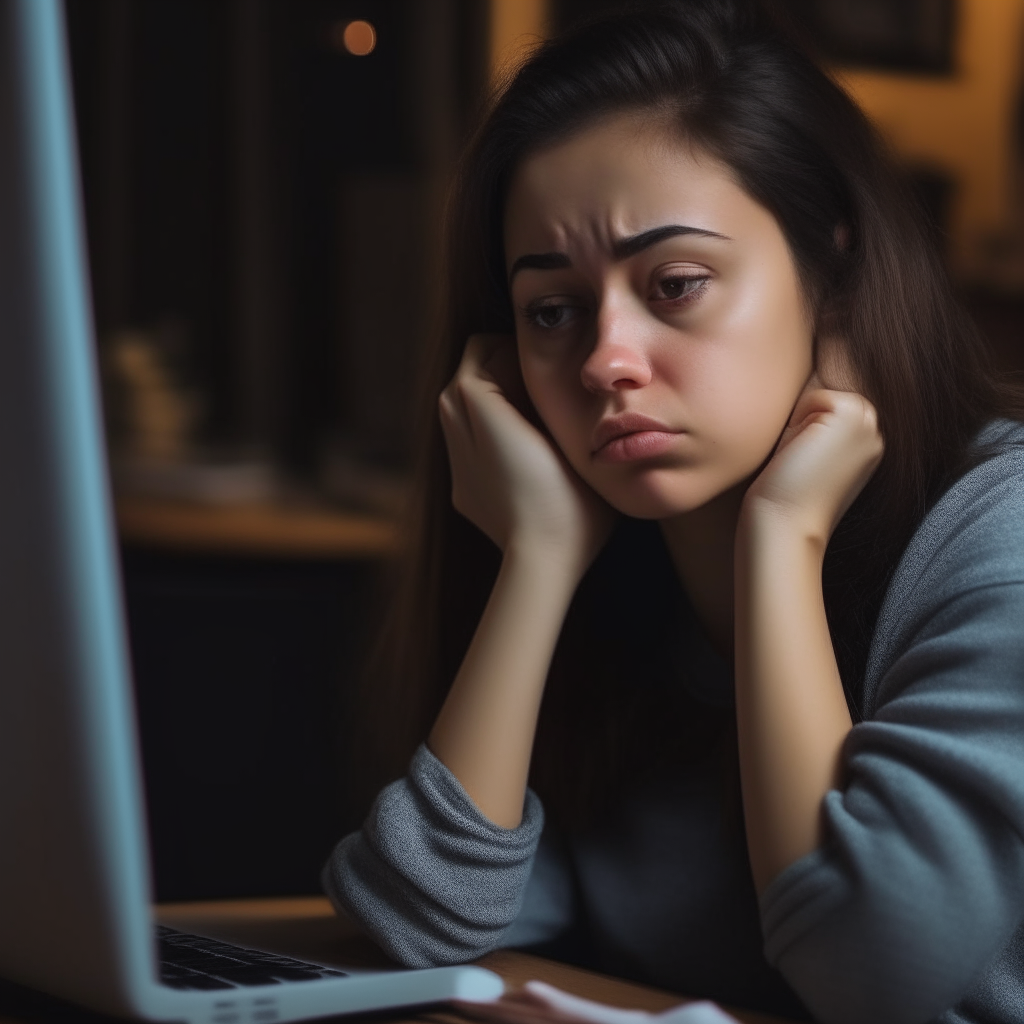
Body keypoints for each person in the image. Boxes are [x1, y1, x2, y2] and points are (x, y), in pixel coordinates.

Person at [322, 3, 1024, 1022]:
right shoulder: (620, 569)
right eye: (551, 310)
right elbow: (422, 928)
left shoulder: (996, 537)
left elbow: (872, 976)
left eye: (676, 283)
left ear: (828, 272)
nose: (606, 358)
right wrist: (537, 561)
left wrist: (781, 540)